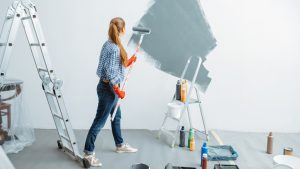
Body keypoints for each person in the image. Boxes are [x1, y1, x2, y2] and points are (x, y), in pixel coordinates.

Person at [83, 17, 138, 167]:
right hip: (109, 89)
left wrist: (128, 61)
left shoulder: (109, 44)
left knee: (116, 117)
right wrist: (117, 89)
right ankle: (88, 153)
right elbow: (108, 71)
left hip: (107, 87)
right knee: (99, 121)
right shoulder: (113, 47)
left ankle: (120, 145)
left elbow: (113, 66)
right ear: (122, 29)